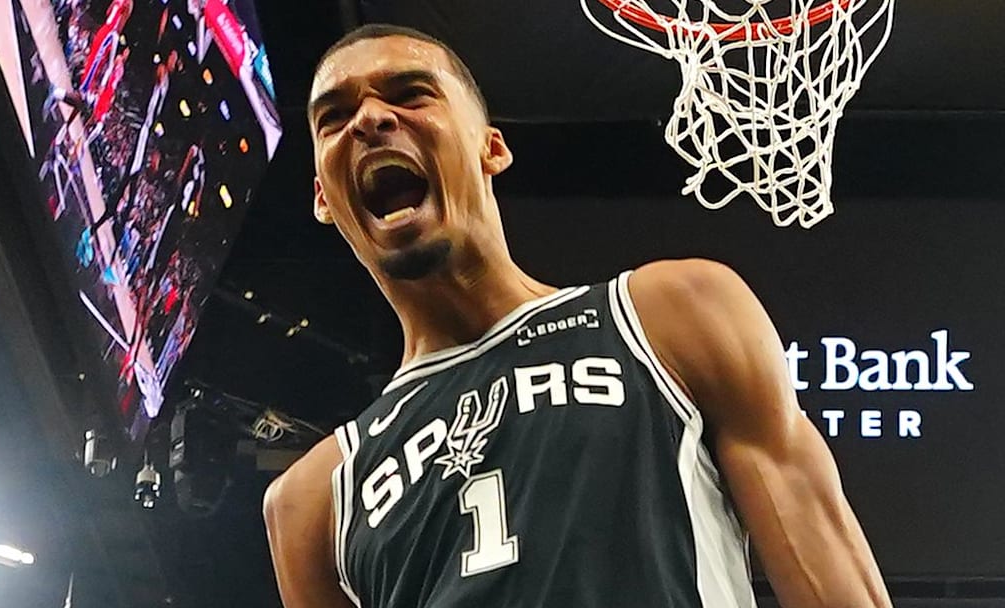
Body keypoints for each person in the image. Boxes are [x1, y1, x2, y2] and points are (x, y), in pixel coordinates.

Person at [262, 24, 892, 608]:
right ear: (323, 196)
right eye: (334, 117)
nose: (370, 119)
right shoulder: (313, 499)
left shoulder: (672, 315)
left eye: (410, 94)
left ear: (492, 148)